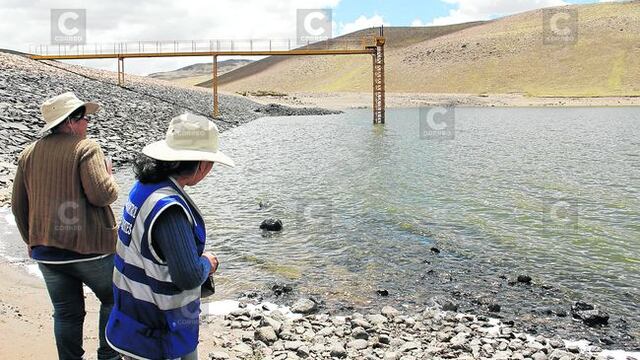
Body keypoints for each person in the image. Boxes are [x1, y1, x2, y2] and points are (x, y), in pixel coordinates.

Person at [106, 113, 233, 360]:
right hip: (156, 330)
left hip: (130, 315)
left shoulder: (143, 187)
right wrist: (209, 262)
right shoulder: (170, 209)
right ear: (201, 165)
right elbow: (188, 276)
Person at [11, 92, 121, 360]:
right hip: (90, 250)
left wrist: (31, 240)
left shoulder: (28, 154)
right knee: (114, 299)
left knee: (66, 313)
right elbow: (102, 195)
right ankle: (108, 356)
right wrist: (109, 176)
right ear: (70, 122)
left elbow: (18, 205)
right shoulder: (86, 148)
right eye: (84, 118)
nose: (87, 124)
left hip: (47, 252)